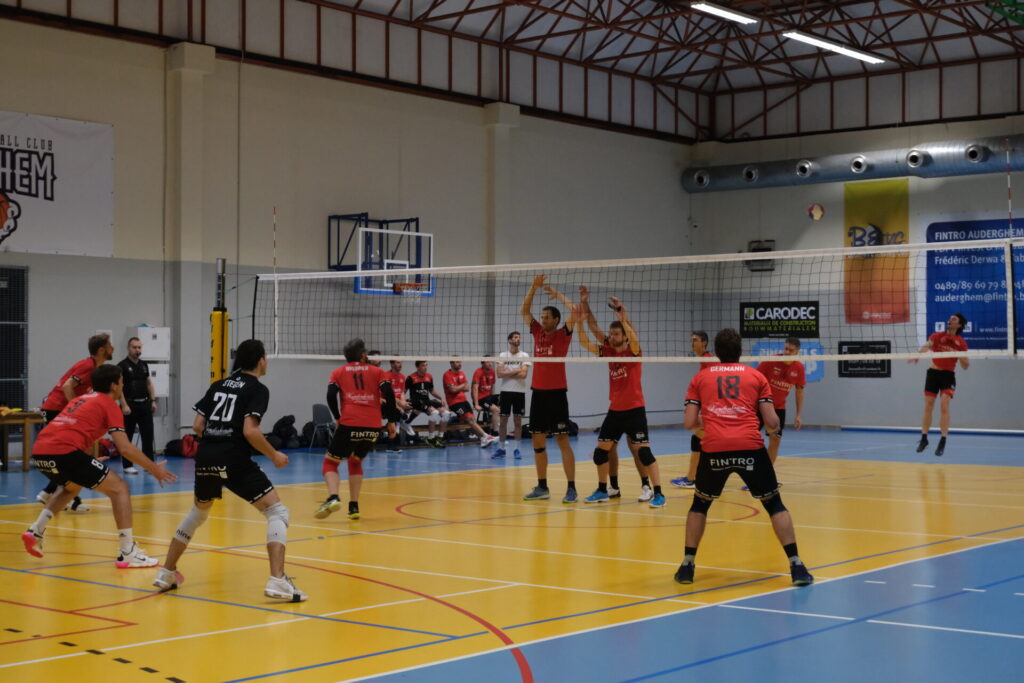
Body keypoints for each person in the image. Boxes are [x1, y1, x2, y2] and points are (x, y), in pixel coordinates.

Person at [152, 339, 307, 602]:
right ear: (261, 360)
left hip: (206, 455)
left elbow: (198, 425)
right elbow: (250, 430)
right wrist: (274, 455)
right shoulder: (258, 389)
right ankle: (278, 580)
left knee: (197, 514)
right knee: (277, 511)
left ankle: (166, 572)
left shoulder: (218, 385)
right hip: (232, 457)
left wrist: (216, 439)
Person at [675, 328, 813, 587]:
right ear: (740, 352)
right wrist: (772, 429)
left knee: (699, 506)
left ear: (715, 352)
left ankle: (687, 566)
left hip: (715, 447)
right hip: (750, 445)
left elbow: (689, 422)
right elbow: (771, 421)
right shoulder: (756, 376)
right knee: (775, 505)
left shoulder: (700, 378)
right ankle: (796, 565)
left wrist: (713, 424)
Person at [22, 364, 176, 565]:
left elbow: (71, 430)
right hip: (65, 452)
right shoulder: (109, 404)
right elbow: (125, 448)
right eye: (121, 381)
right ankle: (127, 552)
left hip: (41, 451)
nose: (123, 385)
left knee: (71, 487)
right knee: (120, 489)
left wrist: (86, 459)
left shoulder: (81, 399)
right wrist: (154, 468)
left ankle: (36, 530)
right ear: (114, 385)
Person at [577, 293, 666, 508]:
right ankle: (602, 490)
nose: (612, 336)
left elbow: (633, 337)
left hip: (635, 410)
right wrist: (580, 321)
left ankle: (658, 493)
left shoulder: (634, 351)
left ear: (624, 335)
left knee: (643, 452)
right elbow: (585, 340)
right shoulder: (608, 351)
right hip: (615, 411)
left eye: (616, 333)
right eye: (611, 333)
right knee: (600, 453)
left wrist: (623, 317)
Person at [315, 339, 400, 520]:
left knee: (330, 463)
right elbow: (390, 394)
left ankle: (333, 497)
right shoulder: (378, 372)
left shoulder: (338, 372)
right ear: (363, 355)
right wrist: (392, 421)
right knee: (355, 461)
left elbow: (330, 395)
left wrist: (337, 417)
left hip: (349, 423)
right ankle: (354, 507)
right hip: (372, 427)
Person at [36, 333, 120, 513]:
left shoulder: (96, 369)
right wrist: (75, 409)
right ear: (101, 350)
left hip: (56, 408)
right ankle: (59, 495)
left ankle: (52, 493)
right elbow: (67, 386)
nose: (113, 348)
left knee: (72, 454)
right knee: (70, 454)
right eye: (110, 345)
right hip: (55, 407)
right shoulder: (88, 365)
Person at [520, 274, 578, 503]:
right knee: (537, 440)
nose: (542, 320)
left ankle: (571, 488)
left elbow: (575, 310)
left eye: (546, 317)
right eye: (541, 317)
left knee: (562, 440)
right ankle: (542, 487)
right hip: (538, 394)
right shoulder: (537, 332)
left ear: (556, 319)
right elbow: (524, 311)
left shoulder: (563, 334)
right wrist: (534, 287)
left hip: (557, 394)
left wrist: (557, 295)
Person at [911, 312, 969, 456]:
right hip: (933, 374)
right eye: (949, 318)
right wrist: (919, 354)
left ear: (959, 325)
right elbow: (927, 345)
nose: (950, 320)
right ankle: (924, 438)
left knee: (944, 405)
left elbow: (966, 366)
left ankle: (943, 440)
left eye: (953, 319)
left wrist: (959, 354)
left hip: (948, 376)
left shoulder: (961, 342)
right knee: (928, 406)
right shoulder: (937, 336)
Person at [672, 331, 716, 489]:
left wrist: (705, 410)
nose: (692, 343)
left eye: (695, 340)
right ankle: (692, 478)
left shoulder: (709, 361)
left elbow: (714, 387)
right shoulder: (704, 360)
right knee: (697, 440)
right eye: (692, 340)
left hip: (712, 410)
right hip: (708, 408)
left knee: (702, 437)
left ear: (704, 342)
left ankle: (722, 452)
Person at [754, 337, 805, 464]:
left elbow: (799, 391)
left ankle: (768, 474)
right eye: (786, 349)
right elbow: (753, 380)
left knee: (775, 440)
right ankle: (754, 470)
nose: (787, 352)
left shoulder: (798, 368)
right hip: (760, 405)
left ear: (797, 352)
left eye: (791, 350)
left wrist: (798, 415)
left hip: (778, 408)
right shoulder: (771, 361)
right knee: (750, 438)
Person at [116, 337, 157, 475]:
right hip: (129, 406)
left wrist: (153, 400)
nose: (137, 350)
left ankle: (148, 464)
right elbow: (118, 388)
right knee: (127, 437)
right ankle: (127, 465)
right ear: (128, 348)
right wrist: (124, 405)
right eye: (134, 347)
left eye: (139, 347)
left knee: (148, 435)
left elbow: (149, 383)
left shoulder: (144, 365)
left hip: (144, 404)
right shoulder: (121, 366)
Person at [442, 360, 498, 448]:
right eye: (457, 362)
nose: (459, 363)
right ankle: (486, 436)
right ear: (451, 363)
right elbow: (452, 390)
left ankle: (483, 440)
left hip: (464, 401)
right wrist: (462, 386)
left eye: (460, 362)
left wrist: (458, 387)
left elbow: (467, 388)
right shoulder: (447, 375)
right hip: (454, 403)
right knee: (470, 419)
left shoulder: (462, 373)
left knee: (472, 420)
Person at [494, 331, 530, 459]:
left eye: (519, 337)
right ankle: (501, 449)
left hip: (519, 393)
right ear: (509, 340)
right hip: (505, 392)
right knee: (503, 421)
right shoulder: (503, 355)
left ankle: (517, 449)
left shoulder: (524, 355)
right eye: (515, 337)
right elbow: (499, 374)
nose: (518, 339)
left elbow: (524, 375)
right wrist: (517, 370)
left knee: (518, 421)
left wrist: (507, 372)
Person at [405, 361, 450, 448]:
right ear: (417, 367)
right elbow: (404, 391)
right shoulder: (410, 378)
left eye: (426, 365)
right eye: (423, 365)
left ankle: (439, 437)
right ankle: (430, 438)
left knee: (446, 414)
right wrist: (403, 402)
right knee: (435, 413)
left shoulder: (429, 376)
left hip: (426, 400)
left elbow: (432, 391)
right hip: (416, 401)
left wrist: (441, 398)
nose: (425, 367)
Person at [384, 358, 412, 452]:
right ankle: (391, 444)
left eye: (401, 362)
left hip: (398, 401)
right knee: (396, 412)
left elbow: (402, 393)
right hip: (386, 401)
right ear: (392, 364)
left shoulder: (402, 377)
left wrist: (403, 403)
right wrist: (399, 404)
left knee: (411, 407)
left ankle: (404, 428)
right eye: (398, 362)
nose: (400, 364)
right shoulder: (386, 376)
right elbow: (387, 394)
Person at [472, 358, 501, 442]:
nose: (490, 363)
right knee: (496, 410)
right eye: (487, 362)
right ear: (482, 363)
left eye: (491, 361)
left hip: (488, 397)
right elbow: (475, 388)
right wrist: (476, 404)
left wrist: (492, 399)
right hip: (480, 398)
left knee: (502, 400)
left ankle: (491, 431)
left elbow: (491, 386)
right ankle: (495, 433)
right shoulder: (478, 372)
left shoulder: (492, 371)